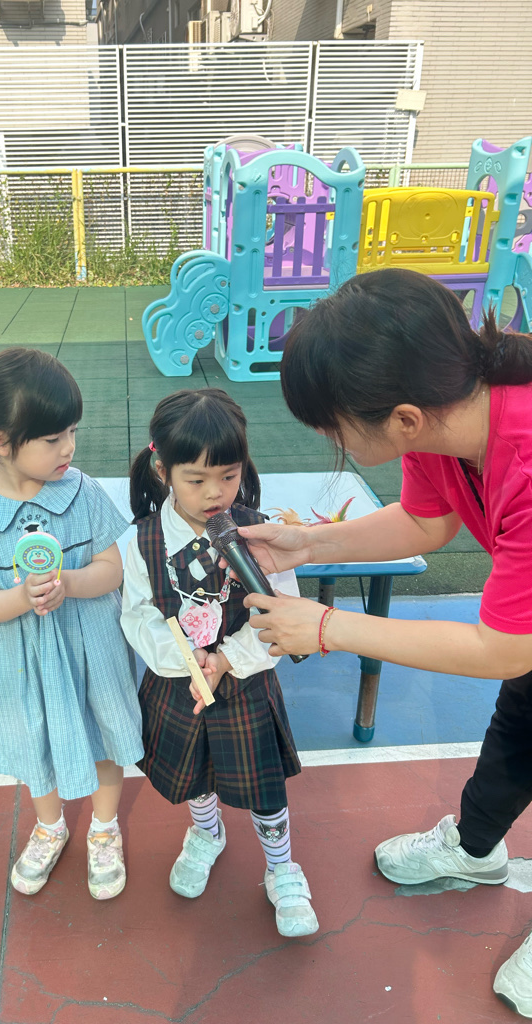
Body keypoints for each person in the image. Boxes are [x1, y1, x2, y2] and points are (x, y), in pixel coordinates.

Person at [237, 267, 532, 1015]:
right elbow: (426, 521)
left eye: (332, 427)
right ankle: (475, 849)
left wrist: (326, 626)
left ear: (401, 418)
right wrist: (311, 545)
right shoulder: (442, 417)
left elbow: (505, 647)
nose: (328, 438)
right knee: (519, 726)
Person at [0, 347, 143, 900]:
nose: (68, 448)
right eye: (52, 439)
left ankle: (104, 827)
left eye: (71, 432)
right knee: (33, 739)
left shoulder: (82, 491)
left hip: (91, 645)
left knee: (104, 734)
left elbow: (111, 570)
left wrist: (68, 581)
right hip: (19, 660)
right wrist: (22, 596)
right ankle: (50, 826)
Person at [120, 388, 319, 937]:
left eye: (228, 476)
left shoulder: (258, 533)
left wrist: (227, 659)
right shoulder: (142, 541)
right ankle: (207, 832)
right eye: (196, 479)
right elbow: (137, 614)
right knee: (196, 776)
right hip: (179, 684)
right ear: (163, 470)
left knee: (264, 785)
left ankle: (281, 865)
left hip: (244, 684)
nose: (215, 492)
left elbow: (281, 611)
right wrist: (186, 659)